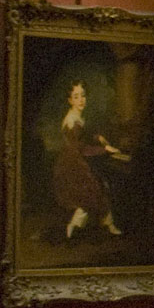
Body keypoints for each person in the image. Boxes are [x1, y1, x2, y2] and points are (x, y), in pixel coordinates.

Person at [53, 81, 128, 240]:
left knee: (96, 191)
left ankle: (105, 224)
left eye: (83, 95)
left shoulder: (77, 116)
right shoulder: (71, 121)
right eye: (76, 96)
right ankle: (73, 228)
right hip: (72, 165)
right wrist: (105, 149)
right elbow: (81, 148)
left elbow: (83, 137)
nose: (81, 100)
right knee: (91, 195)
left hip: (77, 161)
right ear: (70, 100)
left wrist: (98, 137)